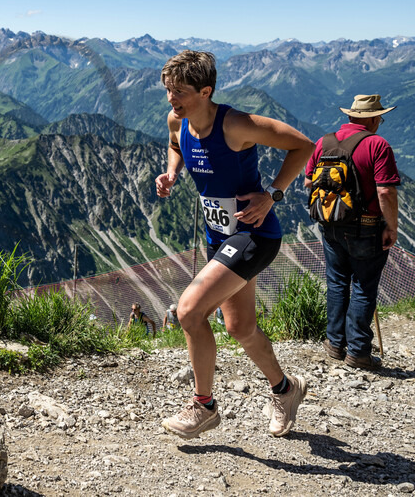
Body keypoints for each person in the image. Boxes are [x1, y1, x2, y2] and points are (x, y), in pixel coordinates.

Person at [155, 50, 314, 439]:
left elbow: (304, 146)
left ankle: (203, 406)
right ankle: (286, 390)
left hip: (253, 236)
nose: (171, 99)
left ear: (206, 91)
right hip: (218, 237)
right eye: (168, 90)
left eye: (179, 92)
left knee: (189, 312)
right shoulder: (179, 119)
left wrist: (272, 195)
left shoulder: (237, 125)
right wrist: (172, 172)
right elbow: (176, 143)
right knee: (240, 326)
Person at [305, 94, 400, 371]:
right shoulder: (377, 144)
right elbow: (385, 190)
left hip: (330, 225)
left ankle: (335, 344)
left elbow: (309, 181)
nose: (380, 121)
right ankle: (358, 352)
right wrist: (391, 226)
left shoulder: (324, 142)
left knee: (336, 283)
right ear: (370, 119)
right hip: (366, 227)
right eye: (380, 116)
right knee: (363, 286)